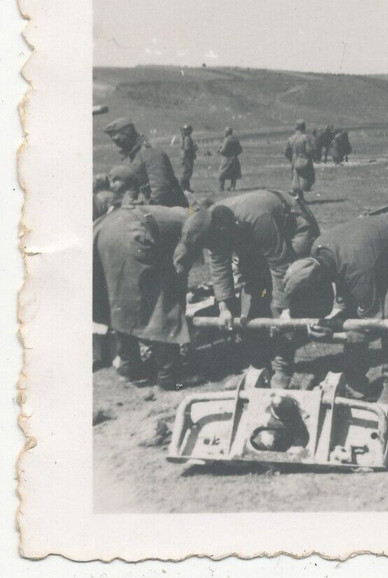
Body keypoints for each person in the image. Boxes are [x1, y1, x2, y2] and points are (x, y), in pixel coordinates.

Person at [281, 212, 388, 406]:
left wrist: (333, 335)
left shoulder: (358, 270)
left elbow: (373, 325)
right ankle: (356, 381)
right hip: (378, 250)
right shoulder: (318, 250)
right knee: (353, 315)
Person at [173, 189, 320, 388]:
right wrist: (224, 307)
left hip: (292, 228)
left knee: (283, 301)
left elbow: (280, 266)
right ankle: (258, 366)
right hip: (252, 236)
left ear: (221, 229)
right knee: (250, 299)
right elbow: (219, 265)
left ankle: (283, 368)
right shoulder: (210, 226)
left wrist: (284, 309)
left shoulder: (257, 219)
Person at [92, 203, 202, 389]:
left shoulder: (180, 212)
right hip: (132, 234)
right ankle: (169, 374)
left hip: (107, 228)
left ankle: (130, 367)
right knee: (161, 304)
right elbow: (179, 271)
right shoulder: (200, 219)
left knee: (121, 302)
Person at [103, 118, 189, 207]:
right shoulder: (135, 154)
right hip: (151, 205)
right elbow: (133, 186)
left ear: (128, 133)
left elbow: (160, 190)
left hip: (171, 207)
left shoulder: (150, 152)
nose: (117, 144)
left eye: (118, 140)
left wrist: (143, 207)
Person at [285, 119, 316, 196]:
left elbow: (287, 152)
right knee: (305, 178)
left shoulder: (290, 138)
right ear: (304, 127)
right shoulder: (305, 138)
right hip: (304, 159)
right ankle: (299, 196)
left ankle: (298, 195)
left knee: (296, 177)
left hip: (294, 159)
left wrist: (291, 158)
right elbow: (309, 150)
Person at [218, 127, 242, 191]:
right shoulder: (236, 139)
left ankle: (221, 187)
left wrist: (219, 151)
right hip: (235, 158)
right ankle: (232, 187)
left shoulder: (227, 140)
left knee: (221, 173)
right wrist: (235, 154)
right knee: (234, 174)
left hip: (227, 159)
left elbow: (223, 150)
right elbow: (240, 149)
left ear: (227, 132)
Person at [178, 124, 198, 192]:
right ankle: (182, 187)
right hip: (187, 158)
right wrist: (194, 148)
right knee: (187, 172)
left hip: (186, 157)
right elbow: (187, 148)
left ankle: (186, 187)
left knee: (187, 172)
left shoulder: (185, 138)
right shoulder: (187, 139)